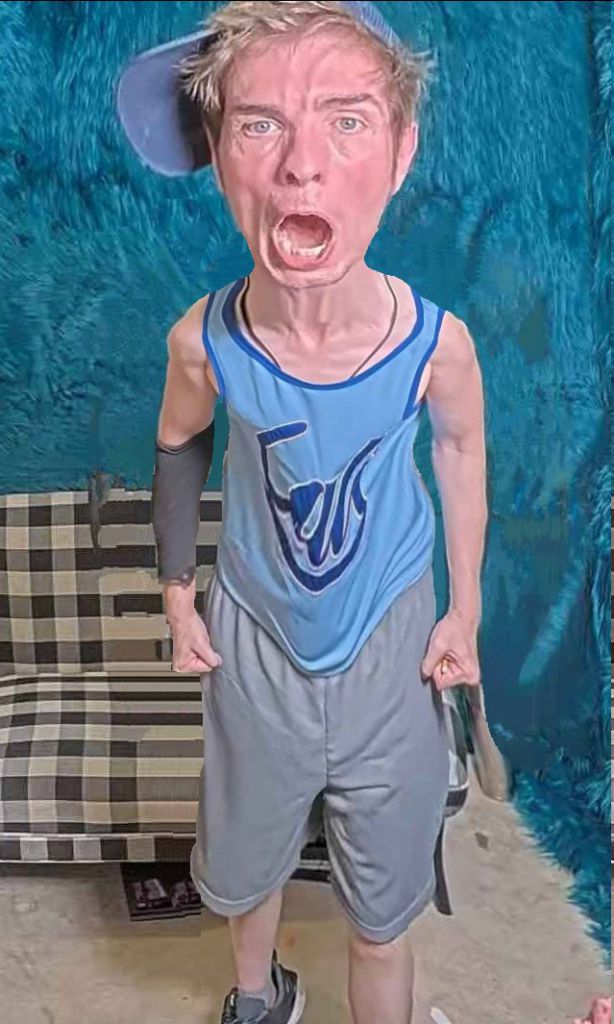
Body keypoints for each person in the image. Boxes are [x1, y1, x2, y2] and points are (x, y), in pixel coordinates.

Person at [118, 3, 488, 1022]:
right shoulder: (201, 341)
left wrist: (462, 612)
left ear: (402, 152)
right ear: (215, 157)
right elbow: (178, 445)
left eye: (346, 119)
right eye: (260, 123)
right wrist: (179, 594)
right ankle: (257, 997)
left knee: (382, 908)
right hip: (256, 640)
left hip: (391, 644)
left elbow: (460, 451)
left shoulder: (437, 346)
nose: (301, 165)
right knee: (244, 859)